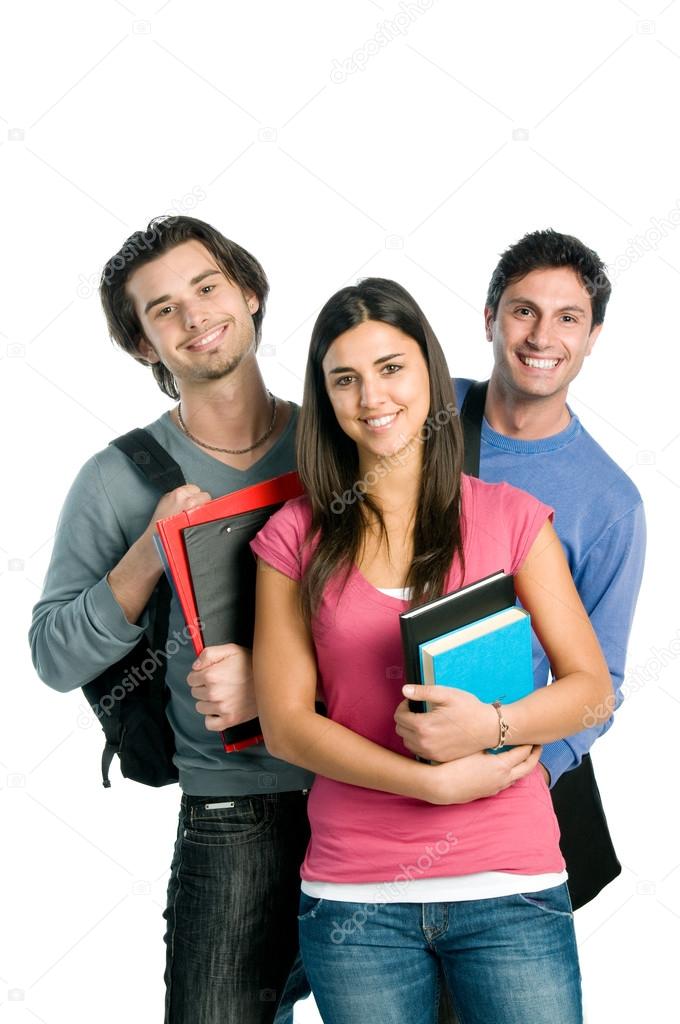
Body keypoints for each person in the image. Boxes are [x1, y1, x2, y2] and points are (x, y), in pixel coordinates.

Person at [249, 277, 613, 1024]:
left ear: (429, 371)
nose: (371, 396)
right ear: (325, 399)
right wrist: (430, 786)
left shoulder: (510, 519)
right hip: (358, 901)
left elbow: (591, 689)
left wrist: (493, 729)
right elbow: (285, 723)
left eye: (391, 367)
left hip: (509, 885)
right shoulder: (294, 535)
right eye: (344, 379)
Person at [29, 216, 313, 1024]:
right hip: (232, 818)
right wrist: (149, 552)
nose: (194, 318)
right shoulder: (118, 478)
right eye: (162, 311)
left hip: (367, 791)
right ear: (143, 347)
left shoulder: (339, 439)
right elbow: (52, 655)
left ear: (249, 293)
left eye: (207, 288)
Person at [394, 229, 645, 906]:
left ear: (593, 337)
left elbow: (603, 682)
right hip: (374, 748)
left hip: (502, 776)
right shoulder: (422, 410)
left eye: (569, 318)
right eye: (524, 310)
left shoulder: (610, 501)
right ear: (489, 318)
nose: (542, 336)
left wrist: (532, 769)